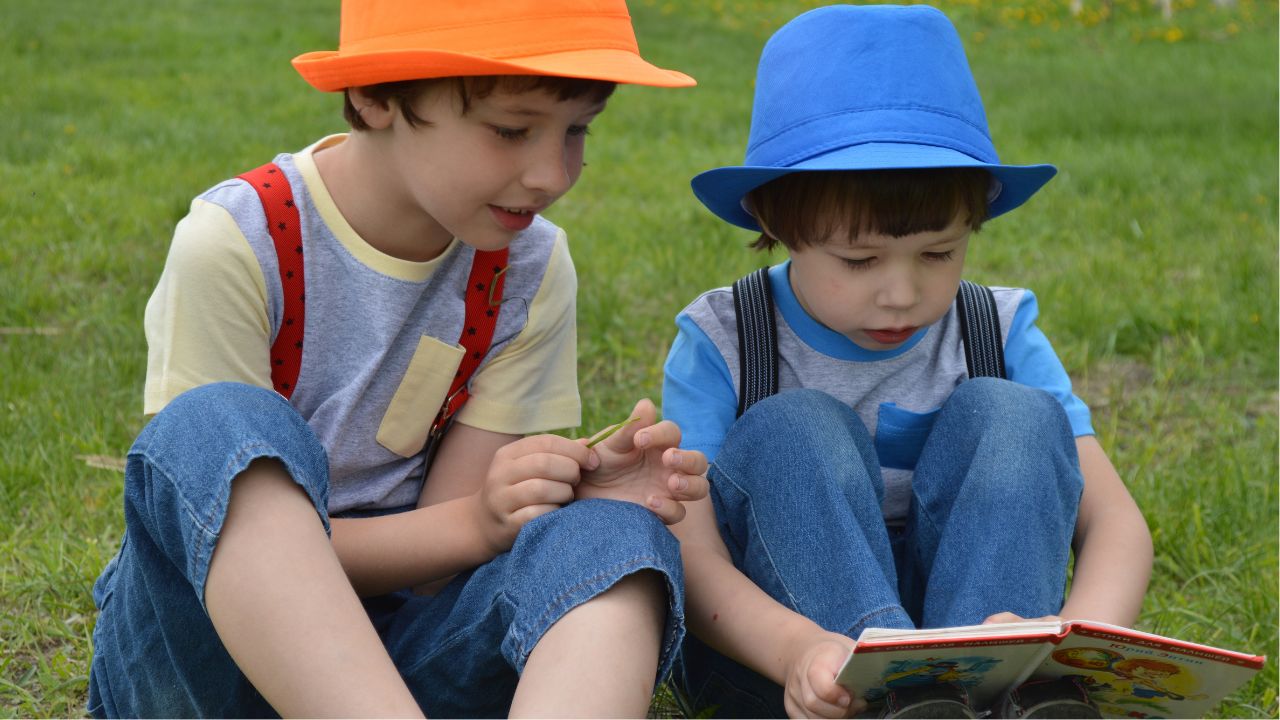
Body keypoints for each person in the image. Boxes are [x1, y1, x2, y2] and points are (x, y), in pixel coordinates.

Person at [87, 2, 710, 717]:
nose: (550, 173)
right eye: (511, 130)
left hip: (404, 661)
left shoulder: (526, 267)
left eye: (576, 131)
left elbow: (437, 564)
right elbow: (201, 520)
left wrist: (543, 505)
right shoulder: (236, 243)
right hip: (205, 664)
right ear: (376, 95)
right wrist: (475, 524)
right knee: (216, 424)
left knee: (616, 537)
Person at [660, 5, 1153, 718]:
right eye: (859, 260)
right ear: (774, 220)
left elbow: (1114, 523)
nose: (902, 293)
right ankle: (893, 696)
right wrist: (798, 650)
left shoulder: (997, 327)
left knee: (1014, 414)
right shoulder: (724, 338)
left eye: (939, 253)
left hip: (979, 644)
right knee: (792, 426)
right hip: (791, 660)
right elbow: (692, 557)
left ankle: (1002, 693)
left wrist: (1068, 643)